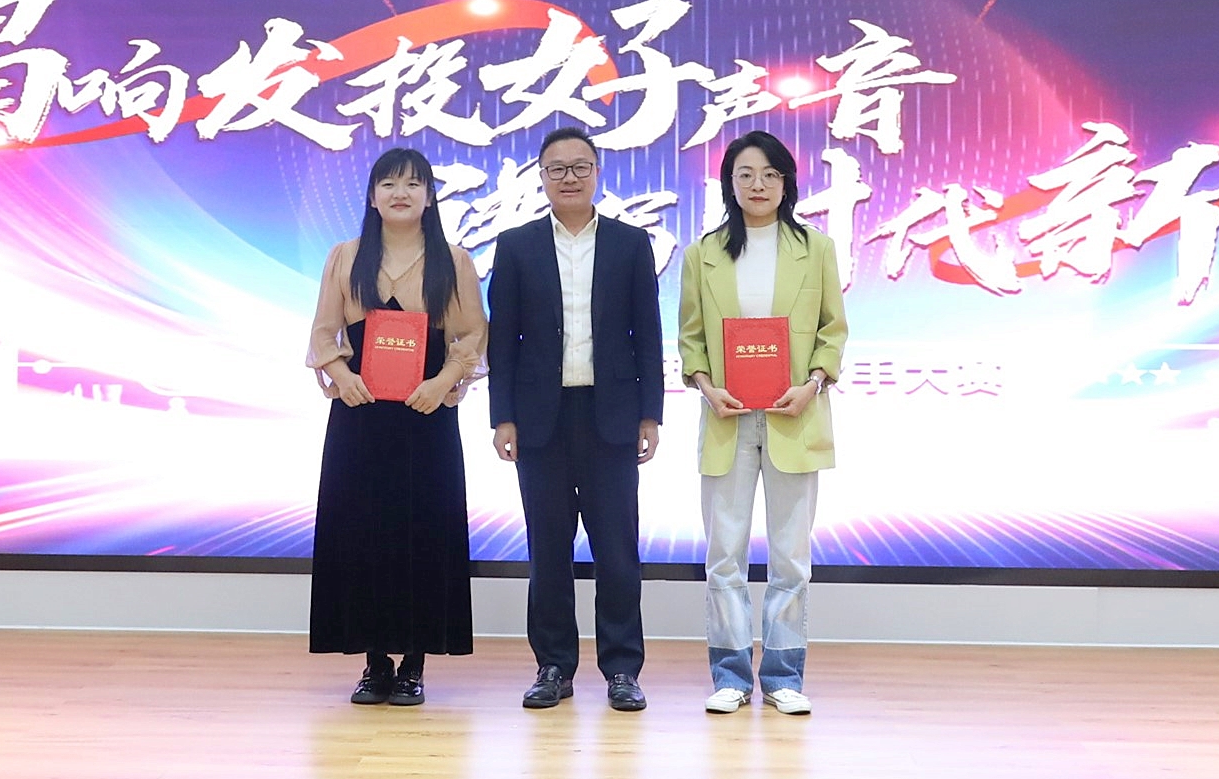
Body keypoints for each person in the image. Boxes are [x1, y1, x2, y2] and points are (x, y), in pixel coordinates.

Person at [487, 127, 664, 712]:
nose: (569, 177)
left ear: (597, 173)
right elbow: (503, 340)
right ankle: (554, 666)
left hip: (611, 416)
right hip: (540, 419)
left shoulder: (629, 243)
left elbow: (647, 334)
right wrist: (503, 416)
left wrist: (650, 413)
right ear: (541, 177)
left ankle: (622, 669)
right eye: (557, 168)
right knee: (548, 551)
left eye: (580, 167)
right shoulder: (516, 245)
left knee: (617, 550)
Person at [306, 146, 487, 707]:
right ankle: (373, 662)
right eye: (388, 184)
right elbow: (323, 332)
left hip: (425, 416)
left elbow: (472, 334)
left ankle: (413, 662)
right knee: (362, 532)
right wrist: (341, 374)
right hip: (360, 416)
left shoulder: (453, 260)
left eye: (412, 184)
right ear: (372, 196)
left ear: (429, 196)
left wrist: (444, 381)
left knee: (422, 532)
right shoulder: (345, 256)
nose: (400, 193)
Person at [678, 130, 846, 716]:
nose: (758, 185)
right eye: (746, 174)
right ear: (729, 183)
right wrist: (706, 387)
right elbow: (691, 338)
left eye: (770, 174)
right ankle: (729, 675)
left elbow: (832, 331)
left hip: (794, 418)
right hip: (727, 420)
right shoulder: (703, 253)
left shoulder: (815, 248)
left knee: (790, 558)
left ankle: (782, 675)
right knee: (724, 556)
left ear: (786, 183)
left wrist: (813, 384)